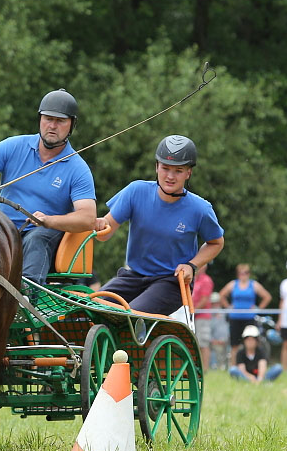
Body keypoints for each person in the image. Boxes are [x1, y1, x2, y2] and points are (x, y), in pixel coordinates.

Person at [0, 89, 97, 285]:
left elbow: (88, 217)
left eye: (60, 121)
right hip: (3, 229)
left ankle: (26, 296)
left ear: (71, 126)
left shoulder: (78, 168)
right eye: (48, 119)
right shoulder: (13, 146)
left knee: (37, 239)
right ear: (40, 119)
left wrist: (49, 221)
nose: (52, 126)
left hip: (44, 233)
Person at [92, 136, 224, 314]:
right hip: (134, 276)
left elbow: (216, 242)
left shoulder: (200, 208)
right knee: (92, 305)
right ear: (156, 167)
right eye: (165, 168)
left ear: (188, 173)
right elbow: (105, 232)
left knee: (130, 315)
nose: (170, 176)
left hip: (171, 282)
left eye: (178, 170)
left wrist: (192, 266)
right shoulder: (135, 191)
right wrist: (97, 224)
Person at [219, 263, 272, 364]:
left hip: (249, 318)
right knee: (235, 345)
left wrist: (258, 309)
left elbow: (267, 297)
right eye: (241, 273)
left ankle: (253, 365)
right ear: (238, 274)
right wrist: (228, 306)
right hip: (235, 318)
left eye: (246, 273)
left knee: (252, 343)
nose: (243, 275)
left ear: (249, 274)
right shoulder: (233, 284)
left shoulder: (254, 284)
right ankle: (234, 367)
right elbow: (221, 295)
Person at [191, 263, 215, 370]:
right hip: (193, 315)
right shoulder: (193, 279)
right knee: (195, 343)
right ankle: (197, 367)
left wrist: (192, 310)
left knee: (203, 343)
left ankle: (205, 369)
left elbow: (204, 300)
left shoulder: (206, 280)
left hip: (202, 316)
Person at [209, 292, 230, 370]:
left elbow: (227, 328)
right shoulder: (208, 315)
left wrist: (225, 339)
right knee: (215, 350)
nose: (215, 305)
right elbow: (208, 330)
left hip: (226, 340)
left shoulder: (225, 313)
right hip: (214, 341)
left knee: (229, 350)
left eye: (217, 302)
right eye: (214, 303)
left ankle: (226, 367)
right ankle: (214, 367)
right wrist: (213, 340)